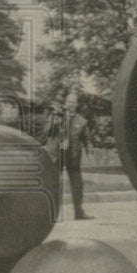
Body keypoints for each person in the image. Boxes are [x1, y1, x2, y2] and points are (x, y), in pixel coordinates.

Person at [44, 88, 93, 220]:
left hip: (73, 157)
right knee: (54, 183)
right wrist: (56, 122)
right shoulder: (56, 115)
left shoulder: (82, 121)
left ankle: (79, 212)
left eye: (73, 102)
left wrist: (90, 151)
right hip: (57, 155)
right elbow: (47, 132)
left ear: (77, 105)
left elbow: (87, 139)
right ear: (65, 103)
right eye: (69, 101)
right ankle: (51, 212)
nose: (71, 104)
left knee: (77, 185)